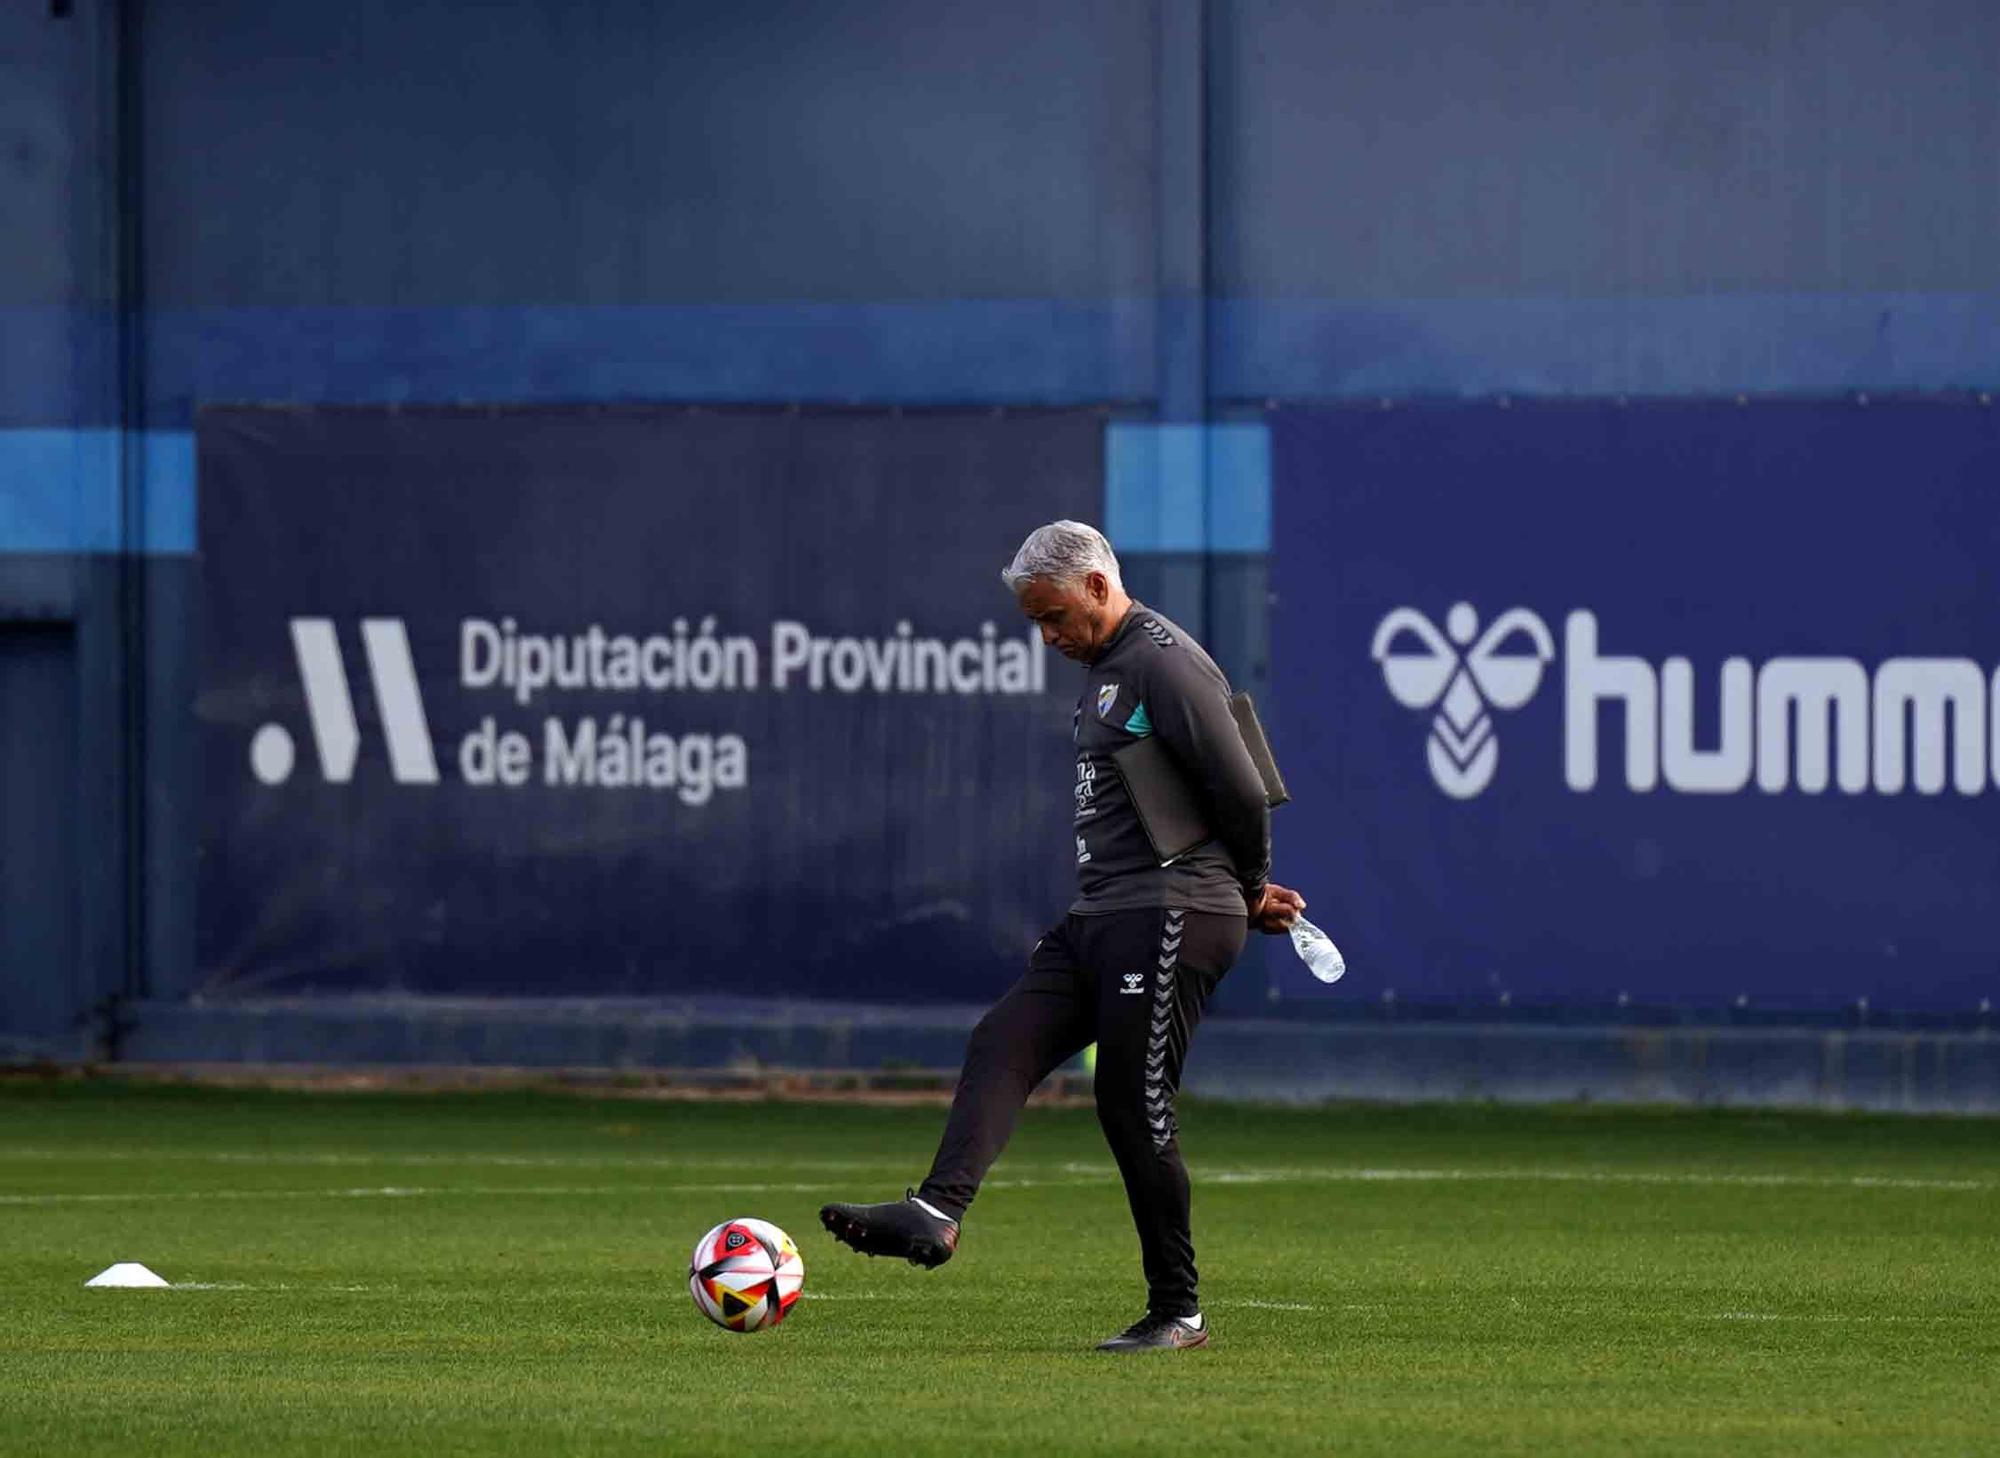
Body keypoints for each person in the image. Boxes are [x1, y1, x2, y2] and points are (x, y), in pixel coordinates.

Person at [820, 520, 1305, 1352]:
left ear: (1095, 586)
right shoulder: (1112, 667)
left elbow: (1242, 789)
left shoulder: (1162, 661)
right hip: (1107, 911)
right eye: (1034, 622)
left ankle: (1178, 1310)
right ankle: (935, 1213)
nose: (1047, 637)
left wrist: (1249, 888)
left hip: (1171, 911)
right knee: (1003, 1037)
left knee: (1130, 1102)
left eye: (1053, 617)